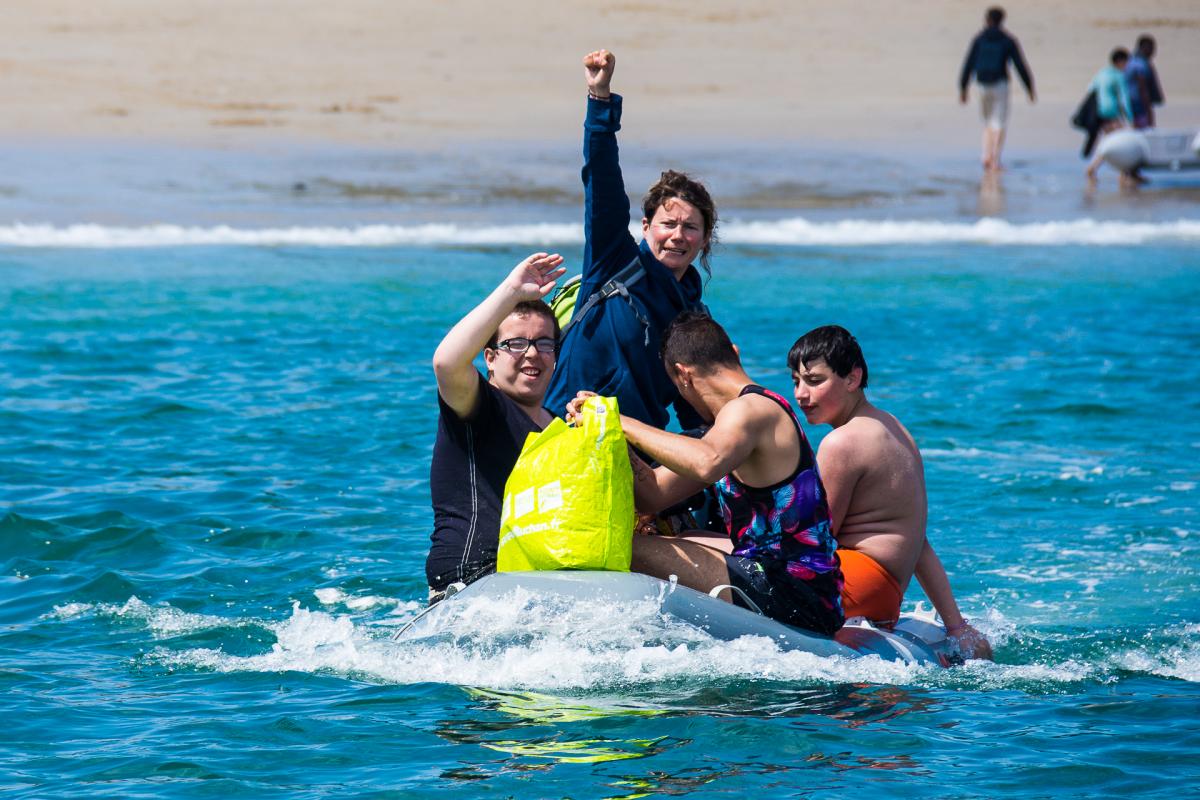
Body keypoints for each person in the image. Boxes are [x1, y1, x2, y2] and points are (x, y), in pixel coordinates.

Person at [567, 312, 843, 635]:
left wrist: (620, 420)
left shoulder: (752, 409)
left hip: (795, 593)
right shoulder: (730, 430)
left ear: (683, 375)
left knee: (624, 548)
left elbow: (706, 461)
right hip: (787, 586)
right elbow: (654, 494)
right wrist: (608, 432)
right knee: (652, 541)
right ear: (734, 353)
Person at [788, 325, 992, 659]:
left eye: (814, 380)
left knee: (722, 556)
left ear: (852, 378)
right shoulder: (896, 430)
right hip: (886, 594)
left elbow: (816, 541)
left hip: (853, 584)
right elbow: (917, 541)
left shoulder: (841, 442)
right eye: (796, 381)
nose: (800, 394)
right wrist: (956, 626)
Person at [544, 49, 716, 431]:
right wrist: (600, 100)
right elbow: (601, 181)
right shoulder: (614, 262)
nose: (678, 236)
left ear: (705, 239)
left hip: (637, 452)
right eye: (668, 223)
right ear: (646, 226)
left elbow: (697, 412)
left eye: (691, 227)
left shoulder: (695, 320)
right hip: (564, 434)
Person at [425, 252, 566, 604]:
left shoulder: (561, 427)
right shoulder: (479, 406)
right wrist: (511, 291)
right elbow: (446, 363)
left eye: (544, 343)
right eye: (516, 344)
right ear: (490, 358)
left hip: (538, 582)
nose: (532, 354)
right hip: (471, 582)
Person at [959, 7, 1035, 173]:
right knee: (999, 122)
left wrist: (963, 88)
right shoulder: (1008, 40)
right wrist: (1030, 88)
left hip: (981, 84)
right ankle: (995, 159)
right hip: (1000, 84)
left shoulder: (979, 39)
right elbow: (1020, 65)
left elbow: (968, 63)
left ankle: (986, 155)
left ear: (987, 20)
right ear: (1002, 21)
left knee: (987, 122)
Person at [1085, 48, 1135, 182]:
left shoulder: (1102, 73)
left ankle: (1097, 169)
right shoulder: (1119, 76)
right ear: (1120, 62)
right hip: (1111, 113)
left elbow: (1090, 89)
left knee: (1109, 142)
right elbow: (1124, 99)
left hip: (1099, 113)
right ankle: (1122, 174)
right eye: (1127, 63)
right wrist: (1130, 118)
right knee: (1122, 141)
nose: (1128, 66)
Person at [1126, 35, 1164, 130]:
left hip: (1130, 103)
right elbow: (1142, 88)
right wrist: (1148, 110)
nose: (1153, 51)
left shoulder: (1131, 60)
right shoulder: (1141, 64)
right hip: (1139, 105)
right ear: (1143, 47)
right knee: (1144, 130)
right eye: (1151, 48)